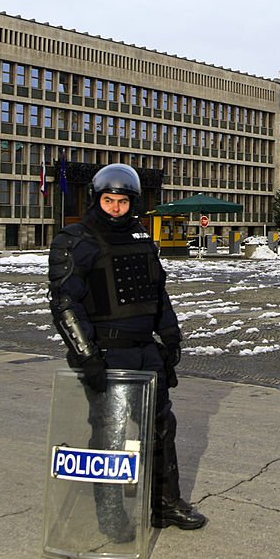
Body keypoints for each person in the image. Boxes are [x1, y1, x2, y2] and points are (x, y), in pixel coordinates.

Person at [48, 163, 207, 533]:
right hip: (107, 351)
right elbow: (64, 304)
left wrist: (170, 339)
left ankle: (165, 503)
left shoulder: (140, 238)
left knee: (161, 427)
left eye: (122, 201)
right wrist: (86, 357)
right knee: (111, 432)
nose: (116, 208)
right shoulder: (75, 240)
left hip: (144, 349)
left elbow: (157, 293)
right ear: (97, 199)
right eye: (109, 200)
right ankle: (109, 511)